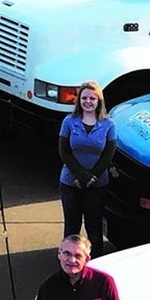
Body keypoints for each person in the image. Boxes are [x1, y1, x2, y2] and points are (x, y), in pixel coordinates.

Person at [57, 81, 117, 255]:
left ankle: (95, 263)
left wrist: (92, 177)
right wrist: (81, 176)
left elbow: (108, 154)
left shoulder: (108, 125)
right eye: (84, 98)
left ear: (99, 101)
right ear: (79, 100)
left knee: (94, 228)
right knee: (71, 227)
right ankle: (68, 262)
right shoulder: (69, 122)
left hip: (97, 186)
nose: (88, 101)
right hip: (70, 183)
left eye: (92, 98)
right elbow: (64, 151)